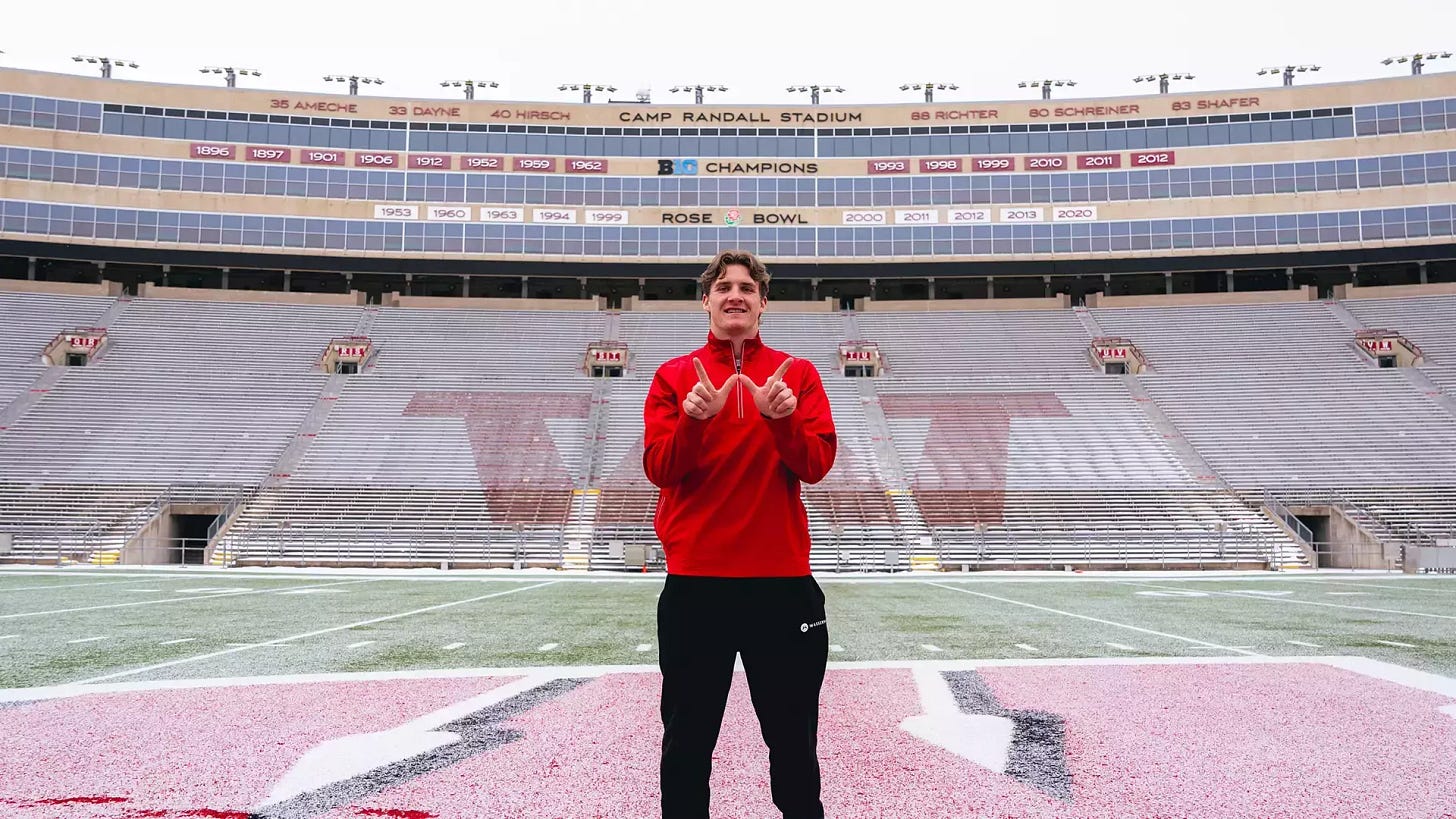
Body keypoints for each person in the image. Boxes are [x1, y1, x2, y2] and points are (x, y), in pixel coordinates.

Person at [643, 249, 838, 819]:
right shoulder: (674, 376)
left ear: (763, 303)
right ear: (705, 300)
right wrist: (693, 423)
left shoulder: (795, 373)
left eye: (747, 288)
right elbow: (661, 469)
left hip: (781, 587)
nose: (735, 295)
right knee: (686, 743)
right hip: (696, 588)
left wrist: (781, 419)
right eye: (724, 286)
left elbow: (815, 465)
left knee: (794, 742)